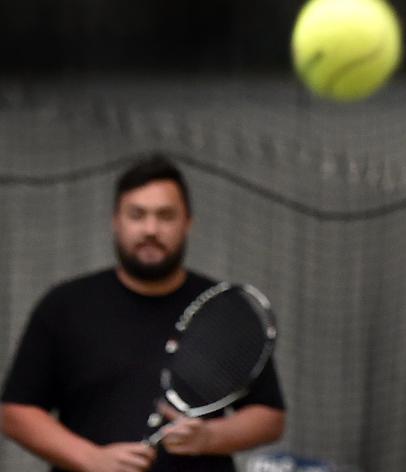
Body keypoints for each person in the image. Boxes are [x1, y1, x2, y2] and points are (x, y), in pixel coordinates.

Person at [1, 153, 286, 472]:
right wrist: (90, 458)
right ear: (115, 220)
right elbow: (15, 412)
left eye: (165, 216)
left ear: (187, 222)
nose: (151, 229)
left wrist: (210, 436)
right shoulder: (64, 306)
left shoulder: (225, 309)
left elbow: (269, 417)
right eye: (137, 215)